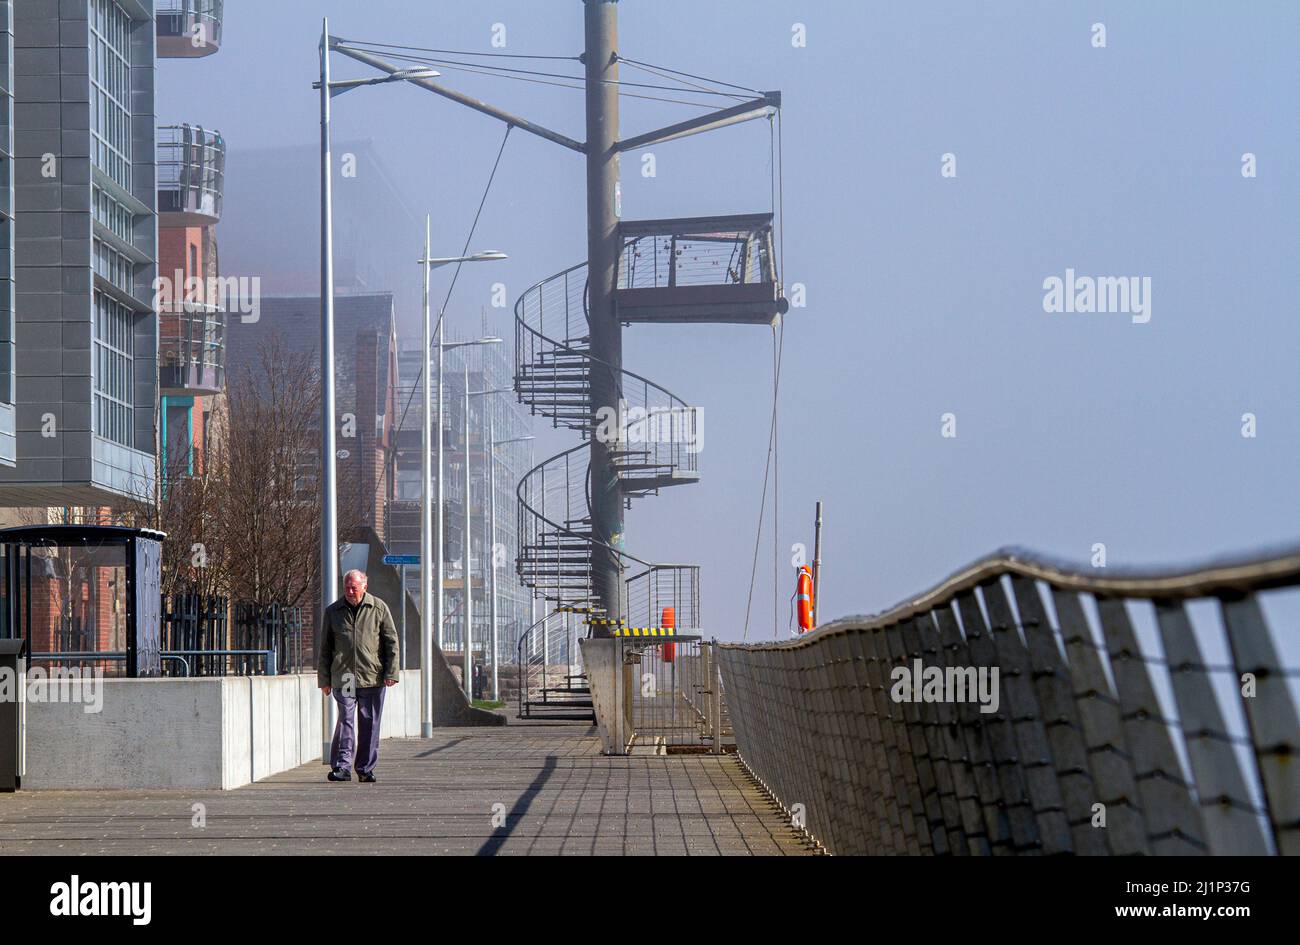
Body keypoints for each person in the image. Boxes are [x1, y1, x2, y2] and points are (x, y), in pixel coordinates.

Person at [318, 569, 399, 783]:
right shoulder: (333, 611)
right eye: (347, 587)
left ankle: (365, 768)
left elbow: (391, 642)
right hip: (344, 676)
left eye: (354, 587)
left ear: (365, 585)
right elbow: (325, 648)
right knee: (346, 719)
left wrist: (391, 672)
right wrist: (324, 680)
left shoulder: (379, 608)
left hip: (372, 675)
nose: (350, 591)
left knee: (369, 722)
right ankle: (342, 767)